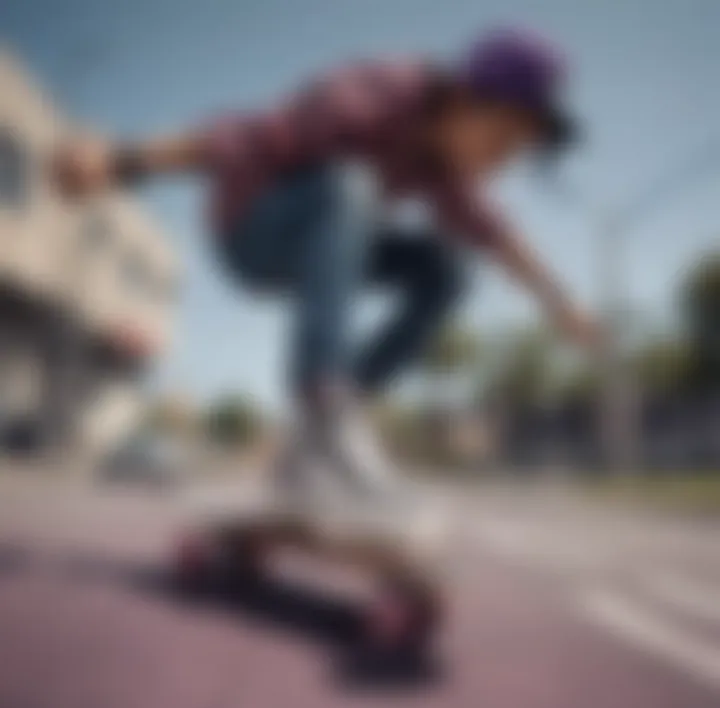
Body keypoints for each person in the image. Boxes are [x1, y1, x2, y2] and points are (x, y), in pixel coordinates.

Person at [53, 27, 601, 515]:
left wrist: (561, 303)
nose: (499, 164)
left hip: (326, 245)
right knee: (348, 184)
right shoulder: (379, 93)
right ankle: (322, 409)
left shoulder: (442, 164)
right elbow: (235, 138)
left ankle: (329, 432)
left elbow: (495, 233)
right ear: (463, 98)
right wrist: (121, 159)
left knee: (447, 269)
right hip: (251, 232)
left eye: (515, 154)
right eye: (502, 141)